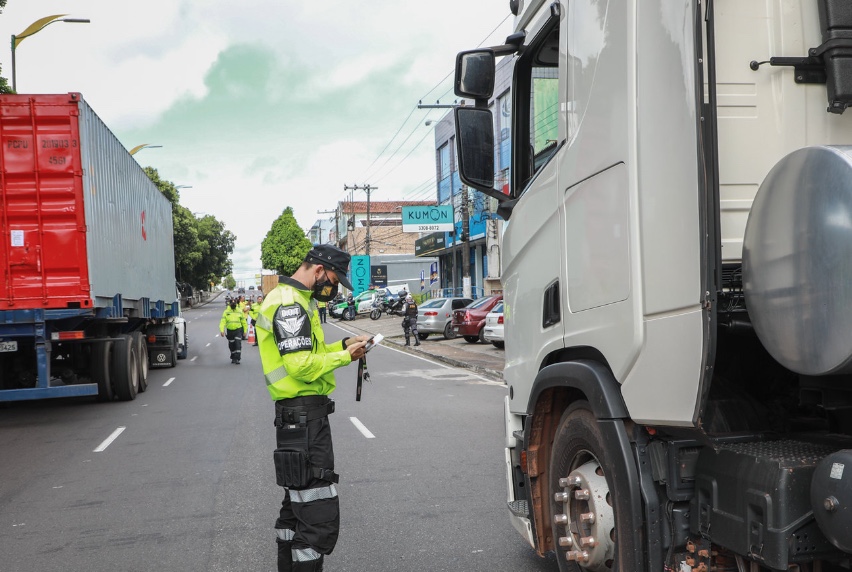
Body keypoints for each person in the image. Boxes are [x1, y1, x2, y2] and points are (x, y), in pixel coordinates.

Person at [255, 244, 370, 572]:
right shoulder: (290, 305)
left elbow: (305, 354)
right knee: (317, 521)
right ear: (318, 270)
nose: (332, 288)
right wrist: (345, 357)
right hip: (305, 424)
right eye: (333, 279)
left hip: (298, 422)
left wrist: (342, 346)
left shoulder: (294, 300)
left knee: (295, 512)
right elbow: (302, 367)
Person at [219, 299, 248, 364]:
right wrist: (222, 330)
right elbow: (222, 322)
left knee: (238, 344)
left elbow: (244, 322)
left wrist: (245, 331)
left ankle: (237, 358)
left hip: (238, 330)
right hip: (229, 331)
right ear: (229, 304)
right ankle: (233, 357)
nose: (233, 305)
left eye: (234, 304)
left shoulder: (240, 311)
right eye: (232, 304)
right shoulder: (226, 312)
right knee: (231, 345)